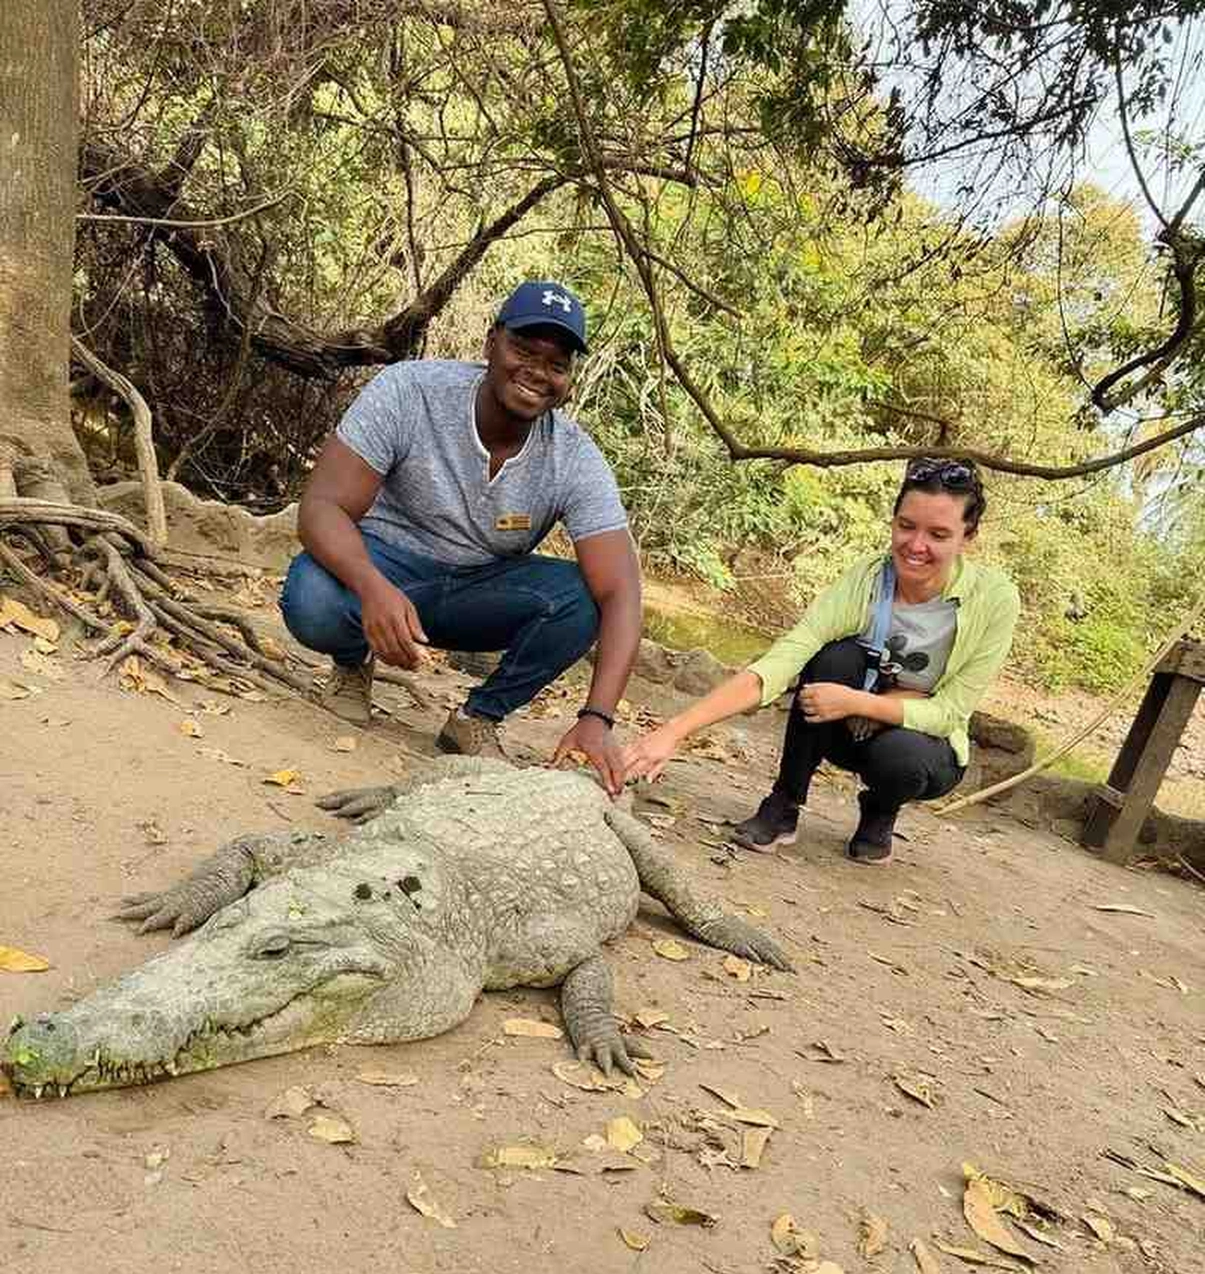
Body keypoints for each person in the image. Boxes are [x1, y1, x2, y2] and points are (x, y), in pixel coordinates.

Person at [279, 280, 641, 795]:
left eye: (557, 364)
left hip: (479, 587)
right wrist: (372, 587)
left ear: (569, 379)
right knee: (311, 595)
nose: (538, 372)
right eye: (524, 349)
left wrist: (598, 716)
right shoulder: (409, 391)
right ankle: (352, 661)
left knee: (584, 597)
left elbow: (622, 590)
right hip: (385, 566)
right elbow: (321, 508)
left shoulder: (574, 457)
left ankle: (477, 717)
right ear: (491, 342)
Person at [621, 458, 1019, 863]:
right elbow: (785, 657)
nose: (916, 546)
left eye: (938, 534)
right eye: (906, 526)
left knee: (901, 757)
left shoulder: (994, 598)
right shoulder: (868, 579)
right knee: (833, 657)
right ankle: (785, 802)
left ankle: (881, 811)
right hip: (851, 729)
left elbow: (951, 711)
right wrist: (676, 729)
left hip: (923, 749)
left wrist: (858, 703)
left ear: (967, 537)